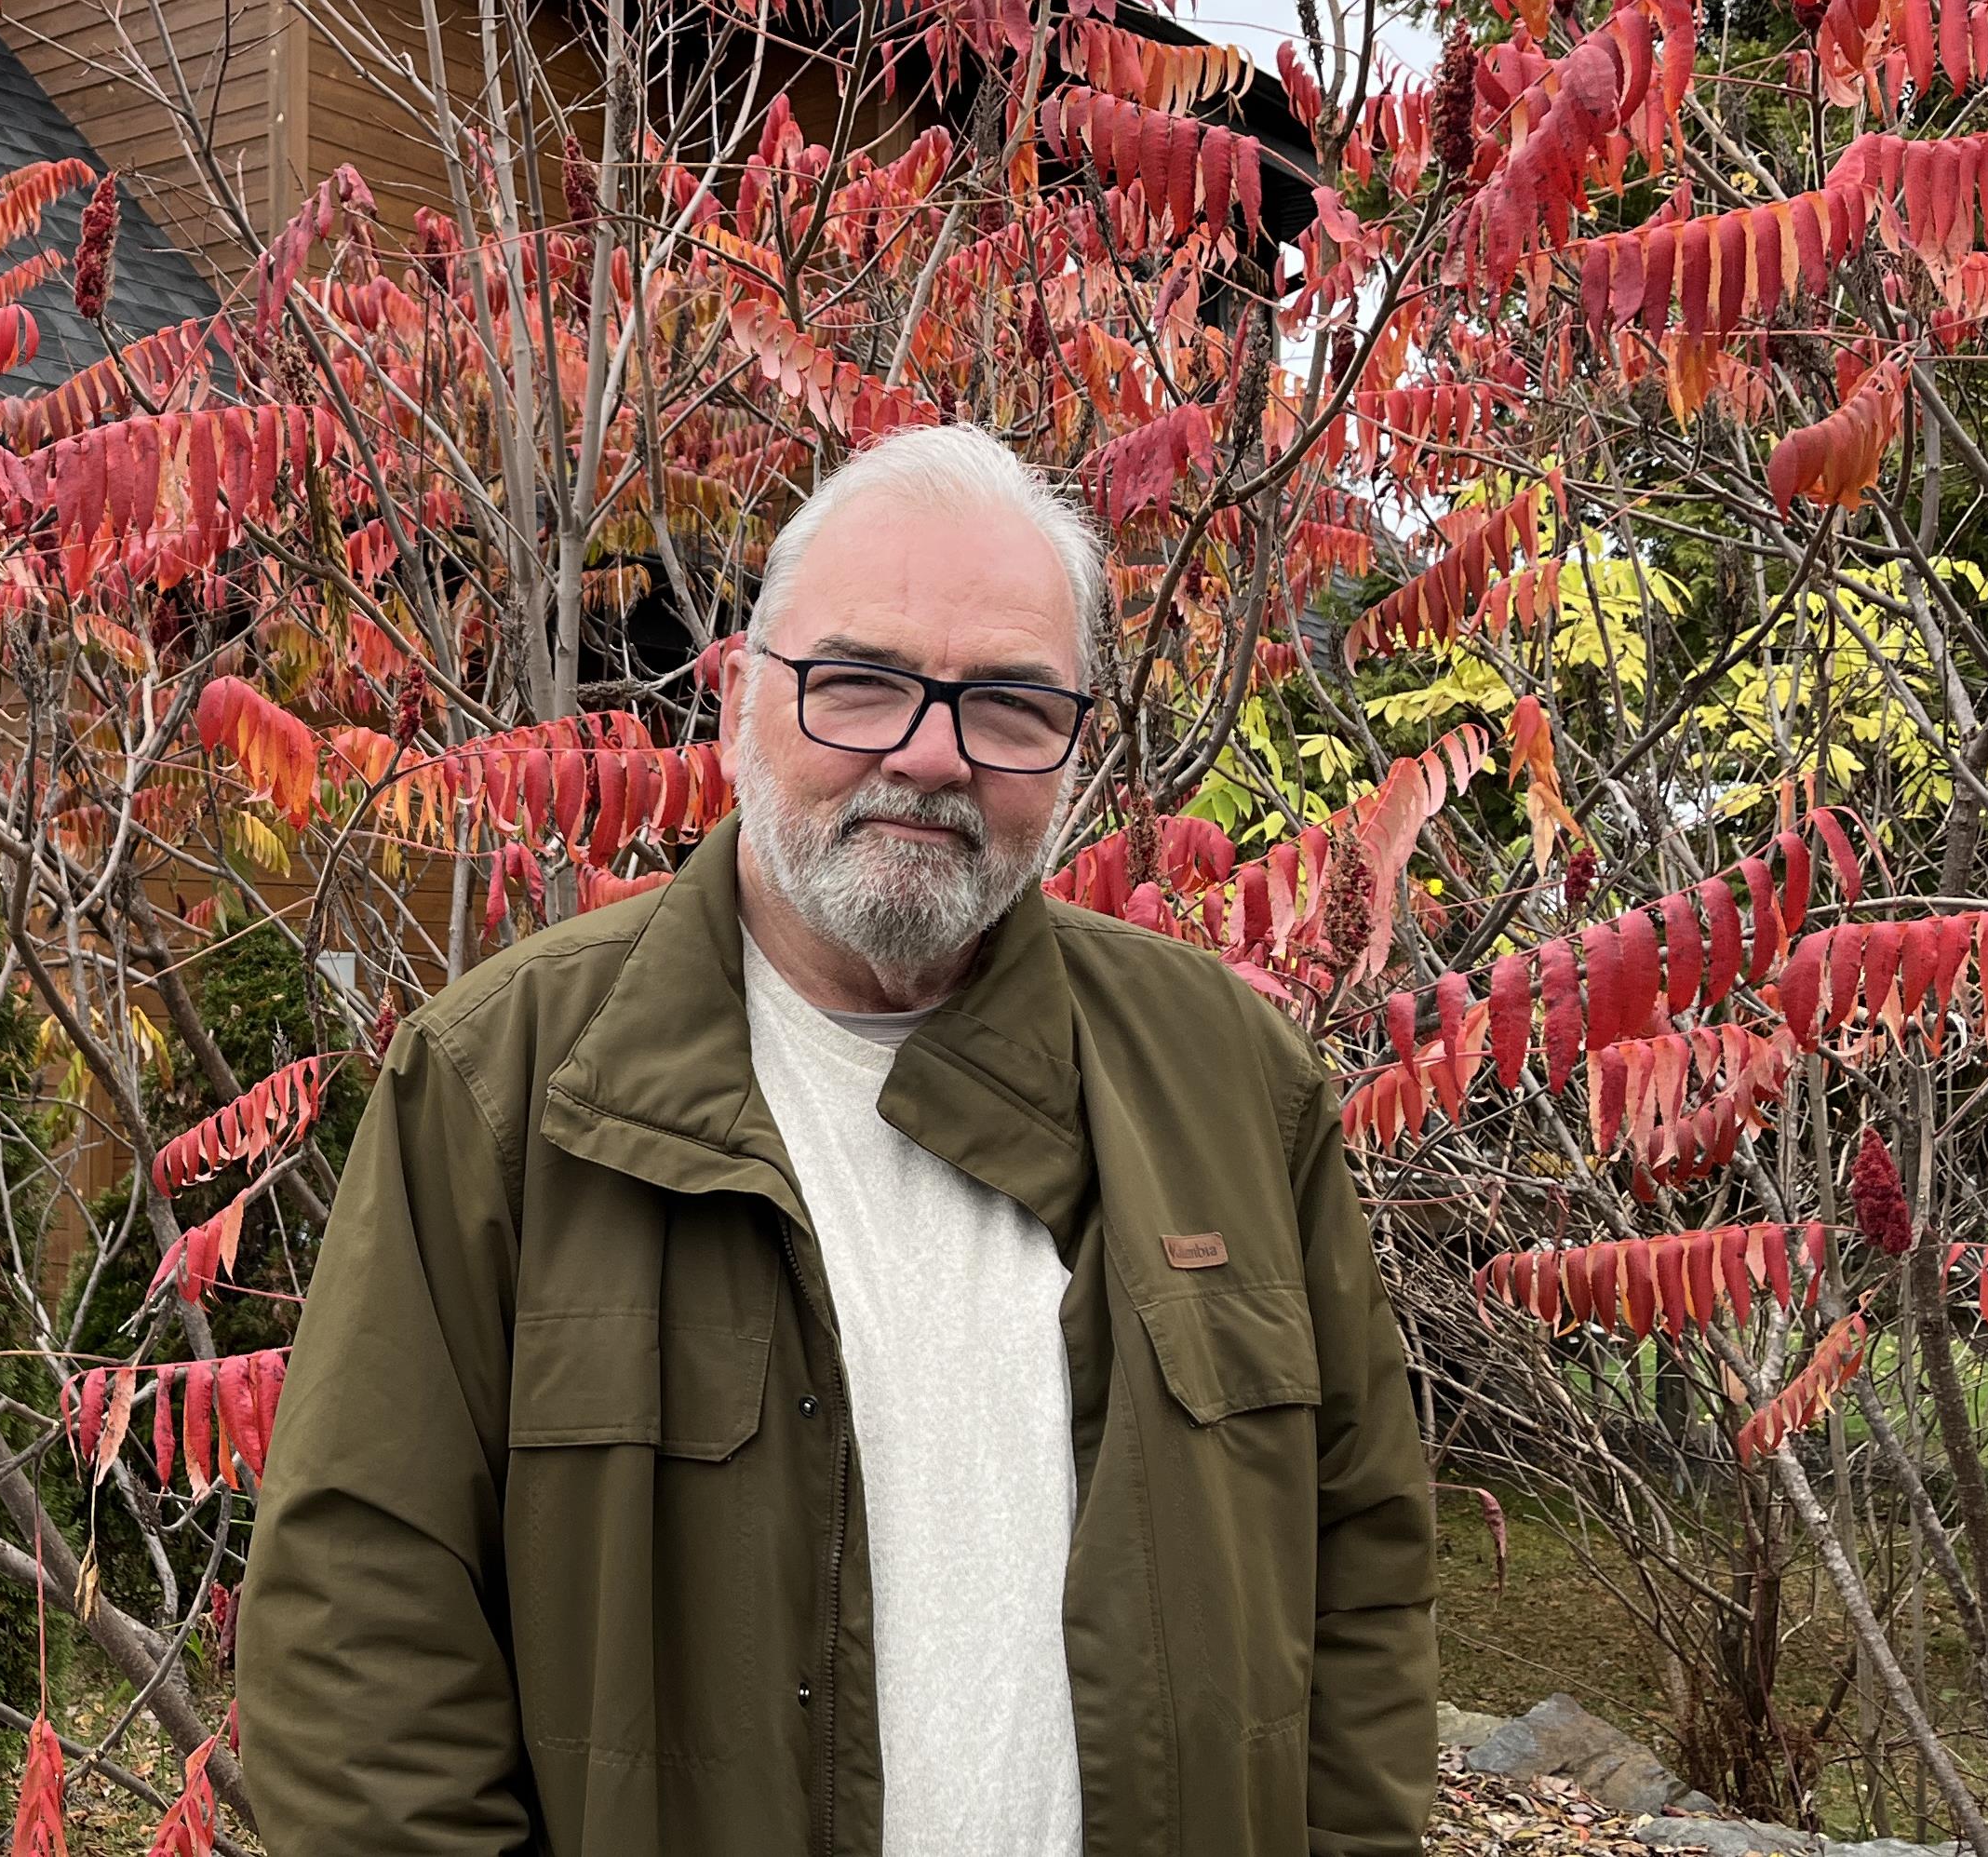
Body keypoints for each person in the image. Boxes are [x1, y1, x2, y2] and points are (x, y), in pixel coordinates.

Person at [239, 425, 1434, 1856]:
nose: (932, 755)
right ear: (739, 696)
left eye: (1007, 705)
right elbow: (357, 1639)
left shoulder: (1234, 1084)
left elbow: (1360, 1575)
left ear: (1072, 747)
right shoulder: (504, 1093)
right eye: (859, 682)